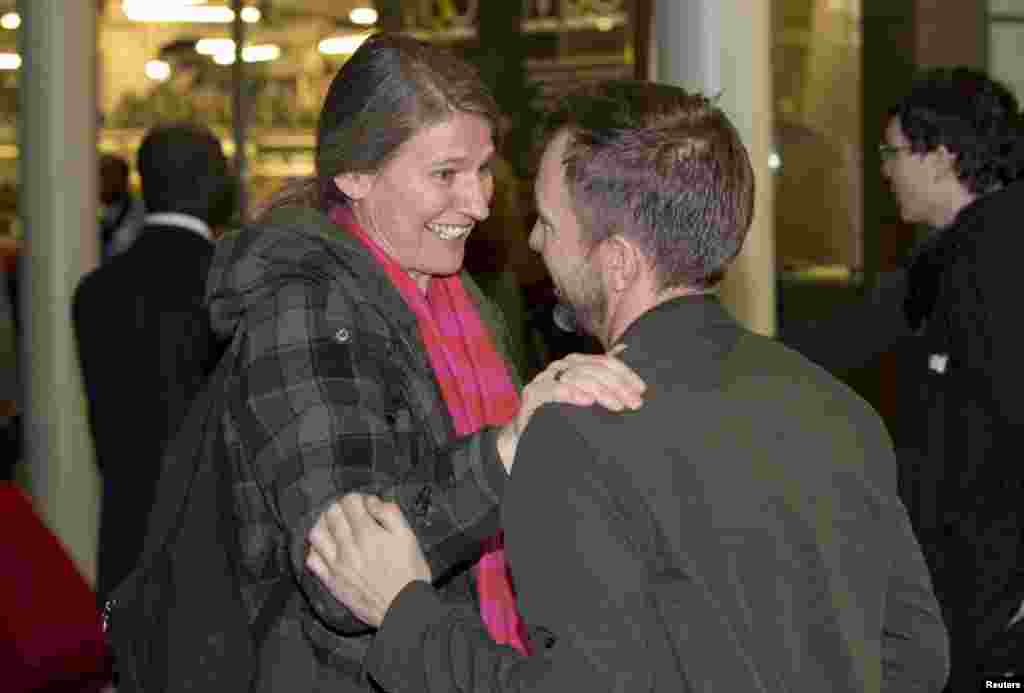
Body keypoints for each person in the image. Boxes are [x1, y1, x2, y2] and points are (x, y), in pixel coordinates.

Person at [306, 80, 951, 692]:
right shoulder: (840, 411)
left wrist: (406, 618)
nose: (535, 241)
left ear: (616, 262)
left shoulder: (580, 435)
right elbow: (916, 657)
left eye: (549, 223)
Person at [202, 33, 645, 692]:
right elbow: (341, 572)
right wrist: (508, 451)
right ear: (355, 175)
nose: (479, 202)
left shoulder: (458, 300)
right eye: (446, 174)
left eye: (483, 169)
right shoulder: (302, 309)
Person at [880, 66, 1024, 687]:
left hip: (994, 612)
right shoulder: (958, 258)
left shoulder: (993, 263)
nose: (886, 170)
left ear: (940, 158)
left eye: (893, 152)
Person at [72, 123, 235, 606]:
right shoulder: (231, 288)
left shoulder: (96, 293)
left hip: (125, 546)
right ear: (212, 183)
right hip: (215, 558)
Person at [98, 153, 146, 262]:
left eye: (112, 175)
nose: (107, 181)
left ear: (125, 178)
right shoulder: (84, 208)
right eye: (102, 174)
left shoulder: (141, 211)